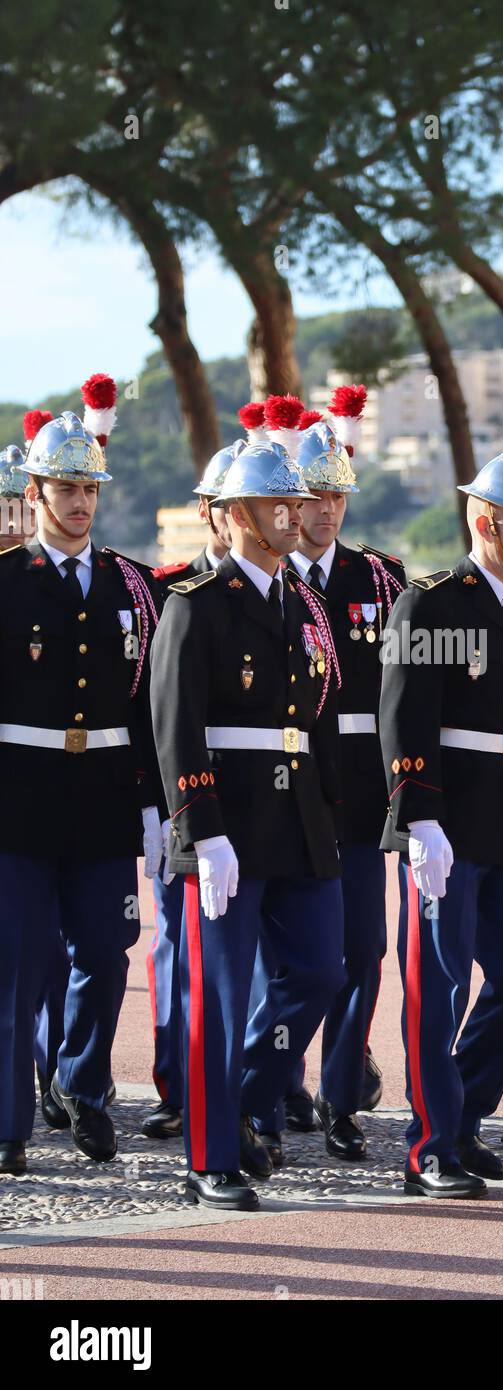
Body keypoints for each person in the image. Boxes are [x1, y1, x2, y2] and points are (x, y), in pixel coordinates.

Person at [149, 438, 345, 1210]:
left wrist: (331, 813)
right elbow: (176, 723)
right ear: (233, 518)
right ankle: (212, 1156)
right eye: (275, 504)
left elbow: (318, 718)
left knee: (323, 971)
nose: (293, 516)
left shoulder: (304, 604)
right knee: (222, 995)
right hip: (227, 818)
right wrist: (201, 826)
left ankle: (245, 1093)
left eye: (294, 502)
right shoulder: (196, 604)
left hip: (297, 819)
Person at [379, 445, 503, 1198]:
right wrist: (419, 818)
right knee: (440, 981)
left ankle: (460, 1117)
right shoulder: (433, 601)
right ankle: (429, 1145)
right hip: (446, 818)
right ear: (485, 522)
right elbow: (404, 718)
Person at [0, 383, 163, 1175]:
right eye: (65, 488)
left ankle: (85, 1091)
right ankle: (9, 1122)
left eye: (90, 488)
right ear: (33, 496)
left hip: (101, 798)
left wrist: (157, 807)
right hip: (19, 798)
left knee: (106, 954)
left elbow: (151, 710)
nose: (80, 502)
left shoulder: (134, 586)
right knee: (20, 964)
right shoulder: (5, 583)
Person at [281, 404, 405, 1157]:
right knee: (294, 959)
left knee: (364, 952)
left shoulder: (381, 579)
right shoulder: (265, 582)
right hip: (288, 792)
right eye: (312, 498)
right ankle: (279, 1078)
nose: (326, 512)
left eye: (337, 498)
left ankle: (341, 1094)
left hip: (360, 798)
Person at [142, 440, 242, 1140]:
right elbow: (157, 711)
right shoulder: (170, 590)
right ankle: (179, 1086)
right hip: (187, 804)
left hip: (265, 807)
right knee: (181, 953)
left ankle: (258, 1090)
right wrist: (158, 807)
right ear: (210, 513)